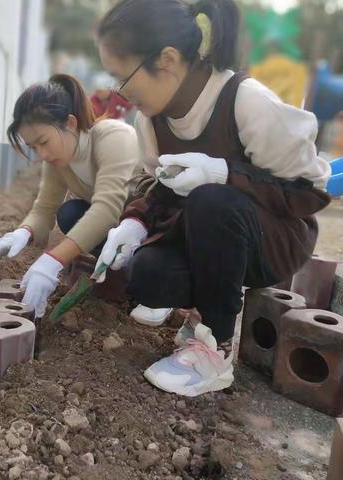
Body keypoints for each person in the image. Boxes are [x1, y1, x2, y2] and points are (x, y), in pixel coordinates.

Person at [94, 0, 331, 397]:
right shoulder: (151, 120)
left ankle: (216, 348)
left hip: (270, 242)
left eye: (124, 77)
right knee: (147, 274)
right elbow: (157, 185)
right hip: (206, 238)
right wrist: (133, 224)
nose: (120, 91)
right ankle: (203, 307)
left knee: (211, 201)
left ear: (166, 59)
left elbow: (310, 191)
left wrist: (225, 174)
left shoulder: (245, 101)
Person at [0, 74, 138, 318]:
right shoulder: (59, 161)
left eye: (44, 141)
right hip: (118, 233)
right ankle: (119, 274)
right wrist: (22, 232)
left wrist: (52, 261)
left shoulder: (113, 137)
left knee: (147, 274)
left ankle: (138, 280)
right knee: (69, 213)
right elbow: (44, 209)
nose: (42, 154)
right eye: (33, 147)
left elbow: (107, 210)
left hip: (152, 230)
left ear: (69, 123)